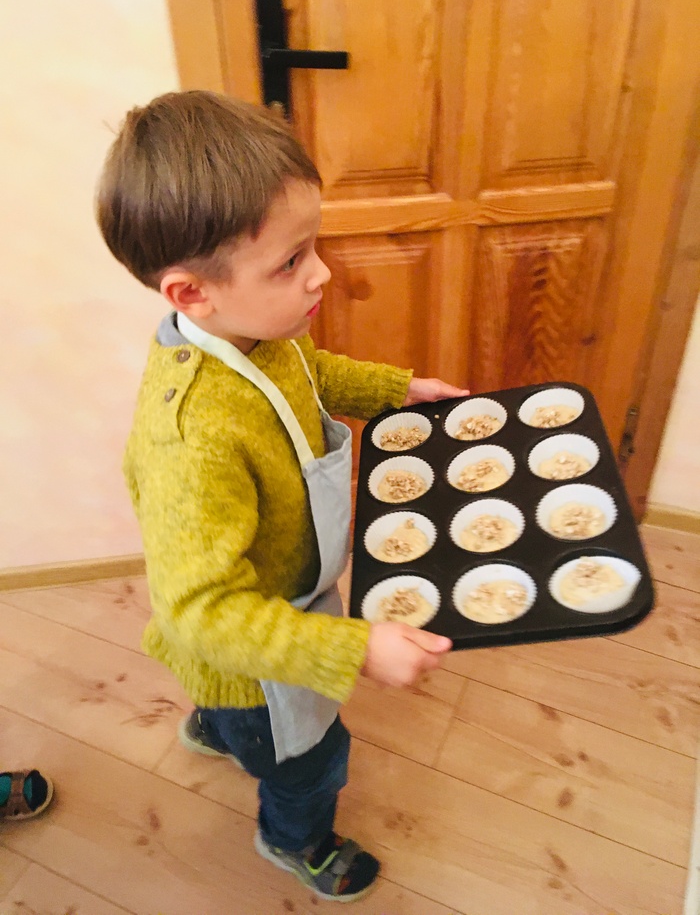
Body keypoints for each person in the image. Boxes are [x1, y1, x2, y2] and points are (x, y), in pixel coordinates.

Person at [96, 90, 467, 902]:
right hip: (251, 647)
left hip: (277, 599)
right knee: (311, 761)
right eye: (292, 261)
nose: (322, 271)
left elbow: (312, 374)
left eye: (312, 246)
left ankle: (216, 725)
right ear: (190, 293)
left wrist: (396, 391)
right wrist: (353, 649)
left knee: (240, 721)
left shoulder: (258, 333)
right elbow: (202, 612)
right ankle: (293, 836)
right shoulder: (193, 438)